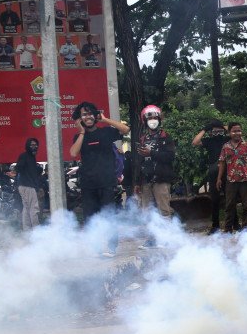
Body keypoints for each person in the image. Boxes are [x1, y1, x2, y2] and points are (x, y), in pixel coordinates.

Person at [69, 101, 131, 257]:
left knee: (108, 215)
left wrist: (105, 119)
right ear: (80, 118)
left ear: (94, 115)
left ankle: (111, 247)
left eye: (90, 113)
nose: (88, 117)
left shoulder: (106, 132)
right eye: (84, 114)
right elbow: (73, 153)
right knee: (90, 218)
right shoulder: (79, 136)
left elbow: (126, 129)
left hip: (107, 182)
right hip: (88, 184)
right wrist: (82, 132)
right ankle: (96, 249)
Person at [134, 105, 176, 248]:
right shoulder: (142, 139)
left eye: (154, 118)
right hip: (146, 181)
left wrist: (151, 153)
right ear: (145, 121)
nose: (152, 120)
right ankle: (151, 239)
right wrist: (137, 182)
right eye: (149, 118)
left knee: (164, 210)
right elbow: (138, 161)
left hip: (161, 179)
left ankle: (165, 239)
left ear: (159, 119)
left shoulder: (166, 137)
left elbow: (170, 156)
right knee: (148, 212)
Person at [216, 122, 247, 231]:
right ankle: (228, 229)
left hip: (246, 180)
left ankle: (246, 229)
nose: (237, 133)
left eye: (239, 130)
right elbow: (222, 162)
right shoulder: (225, 147)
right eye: (234, 131)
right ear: (229, 132)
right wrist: (218, 178)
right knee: (229, 206)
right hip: (231, 180)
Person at [192, 120, 233, 233]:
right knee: (214, 199)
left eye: (218, 130)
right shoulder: (209, 141)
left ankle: (232, 224)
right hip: (213, 171)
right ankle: (215, 226)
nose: (217, 132)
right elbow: (195, 142)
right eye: (214, 130)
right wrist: (205, 129)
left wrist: (223, 127)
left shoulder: (226, 139)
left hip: (227, 170)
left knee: (230, 198)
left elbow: (234, 134)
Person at [15, 138, 42, 230]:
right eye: (32, 145)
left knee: (27, 208)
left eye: (35, 145)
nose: (34, 147)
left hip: (24, 185)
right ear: (28, 146)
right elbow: (18, 167)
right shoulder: (25, 156)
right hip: (27, 185)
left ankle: (27, 230)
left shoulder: (31, 157)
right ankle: (36, 230)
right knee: (33, 208)